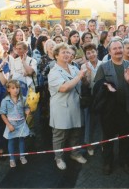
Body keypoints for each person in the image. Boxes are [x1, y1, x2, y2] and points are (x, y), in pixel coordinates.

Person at [94, 38, 129, 175]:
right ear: (109, 52)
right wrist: (106, 86)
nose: (118, 51)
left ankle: (125, 162)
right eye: (114, 49)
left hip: (127, 109)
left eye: (120, 48)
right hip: (109, 111)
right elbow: (96, 86)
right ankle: (107, 163)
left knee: (125, 139)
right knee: (108, 139)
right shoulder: (103, 67)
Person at [48, 42, 87, 170]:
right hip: (61, 109)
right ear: (56, 55)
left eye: (68, 52)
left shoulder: (74, 68)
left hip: (75, 106)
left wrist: (84, 77)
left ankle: (75, 154)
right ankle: (58, 157)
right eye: (63, 52)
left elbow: (82, 84)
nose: (67, 54)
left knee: (76, 132)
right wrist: (80, 76)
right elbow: (64, 88)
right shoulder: (53, 72)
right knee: (59, 135)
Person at [0, 80, 30, 168]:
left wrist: (27, 110)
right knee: (11, 141)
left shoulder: (23, 98)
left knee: (21, 140)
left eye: (17, 88)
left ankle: (22, 156)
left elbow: (26, 107)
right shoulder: (5, 101)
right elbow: (2, 114)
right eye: (13, 88)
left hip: (21, 123)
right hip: (11, 124)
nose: (16, 90)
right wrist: (8, 125)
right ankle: (12, 159)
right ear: (8, 89)